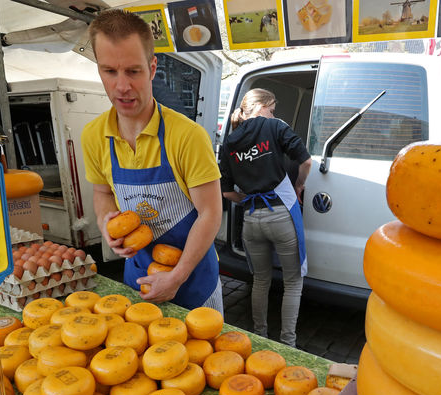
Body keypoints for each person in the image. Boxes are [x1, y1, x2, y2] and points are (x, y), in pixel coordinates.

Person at [81, 9, 223, 313]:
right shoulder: (93, 137)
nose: (122, 86)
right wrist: (106, 224)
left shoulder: (187, 136)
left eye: (133, 71)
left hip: (194, 282)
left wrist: (178, 275)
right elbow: (102, 193)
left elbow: (210, 212)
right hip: (139, 280)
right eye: (110, 71)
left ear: (152, 68)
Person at [219, 88, 312, 347]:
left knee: (260, 280)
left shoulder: (229, 142)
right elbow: (306, 162)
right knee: (293, 282)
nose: (273, 115)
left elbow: (227, 192)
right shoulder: (273, 127)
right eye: (271, 110)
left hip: (251, 221)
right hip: (281, 216)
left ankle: (260, 337)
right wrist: (298, 186)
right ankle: (287, 344)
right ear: (261, 107)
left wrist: (248, 199)